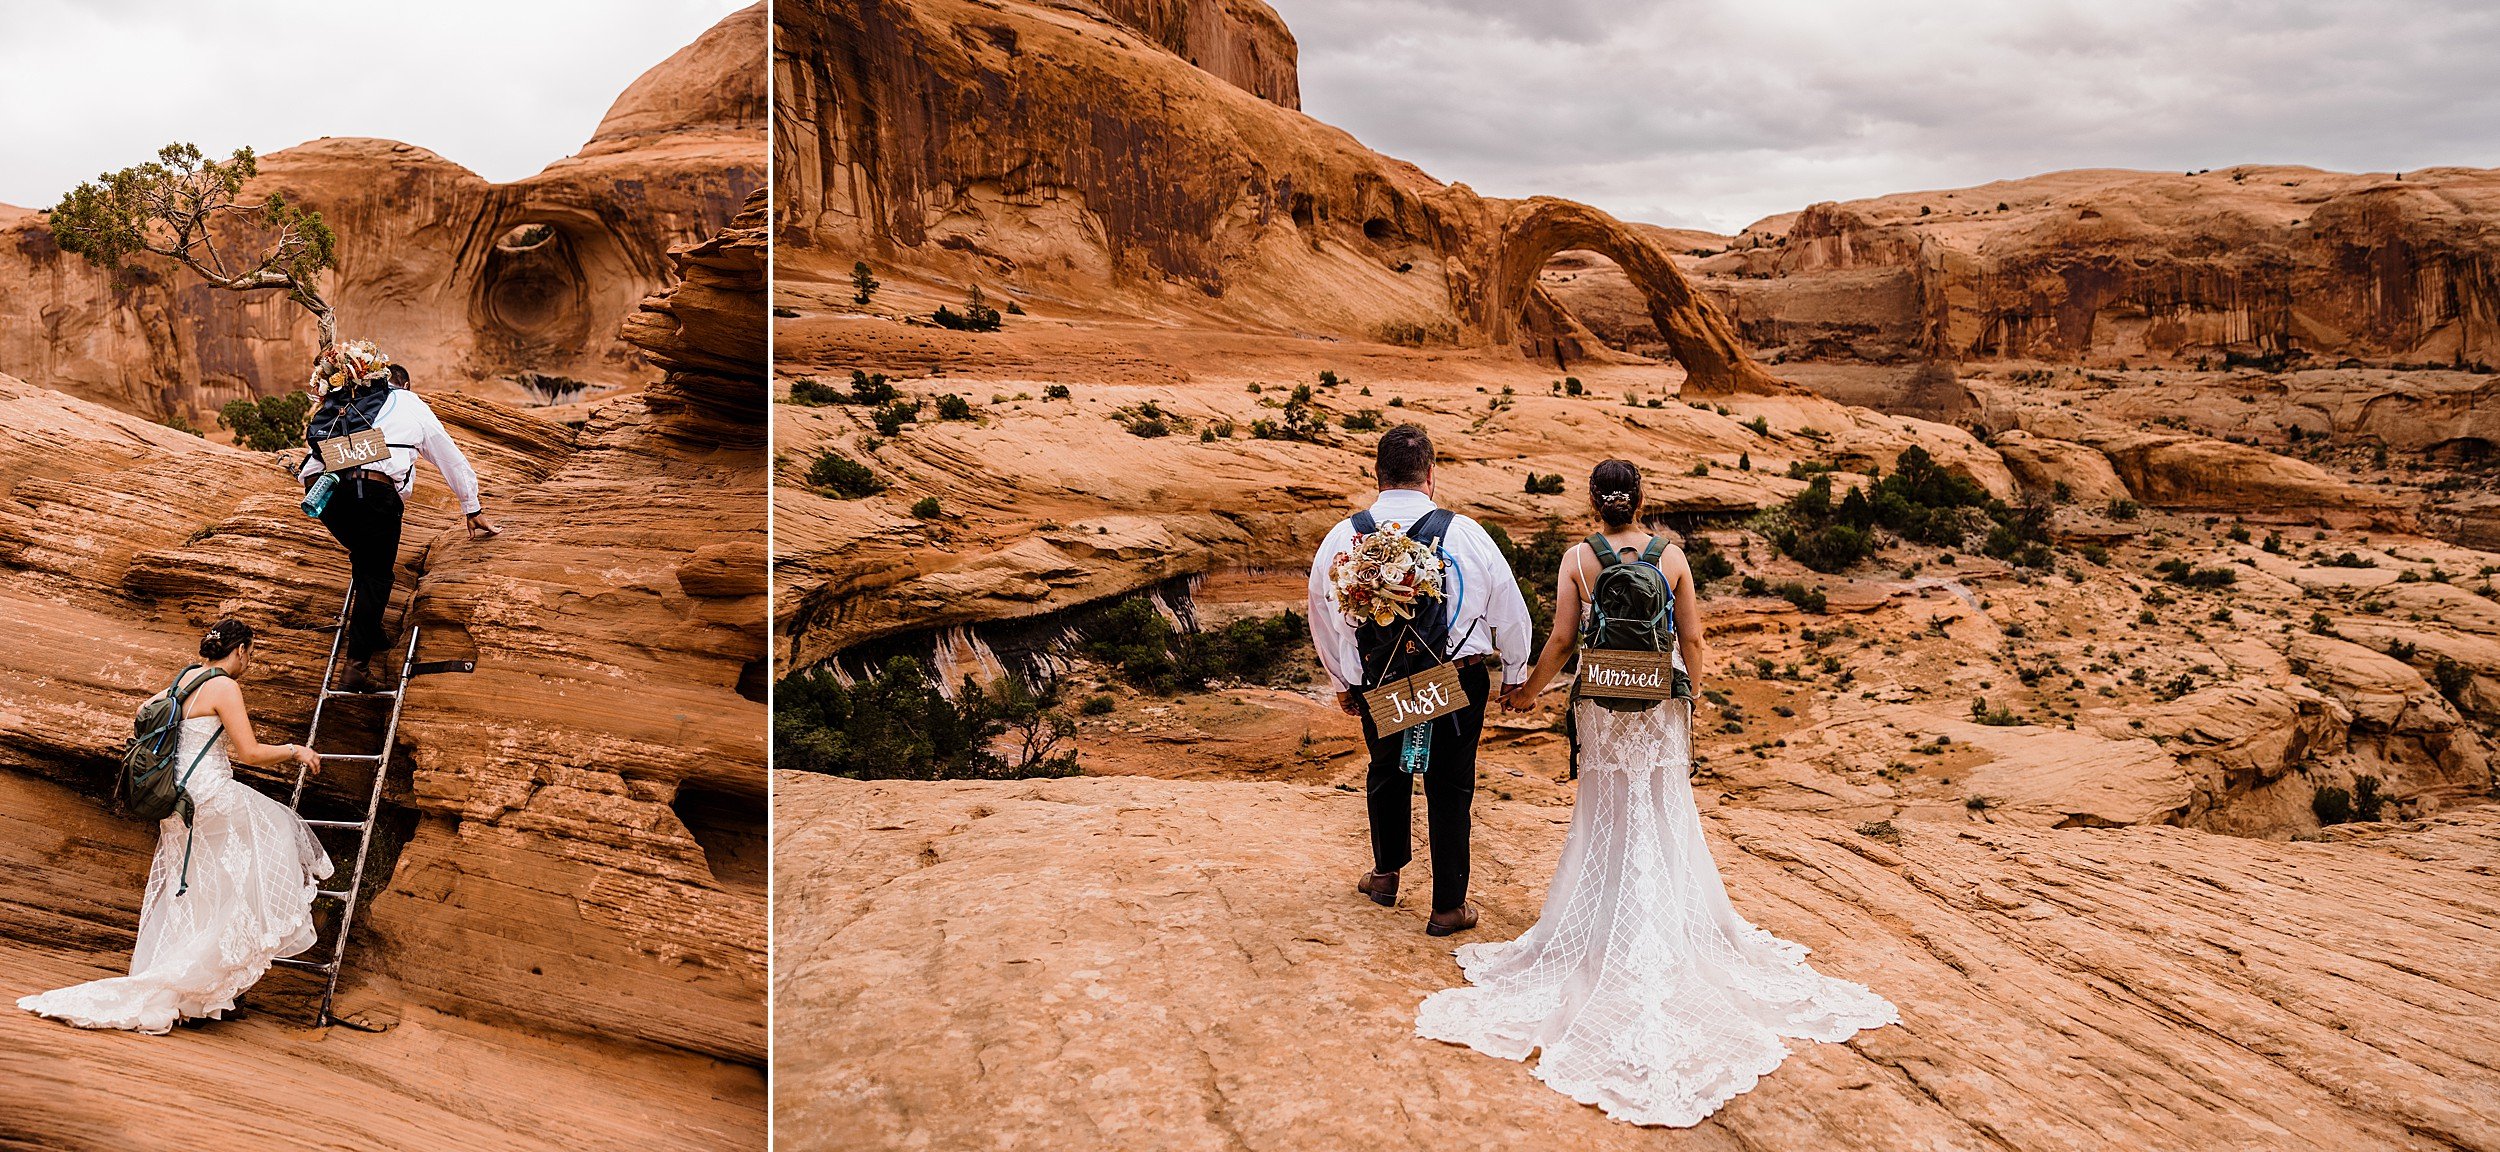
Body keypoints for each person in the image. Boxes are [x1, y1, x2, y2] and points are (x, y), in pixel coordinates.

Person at [1414, 459, 1897, 1127]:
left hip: (1603, 698)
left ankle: (1598, 927)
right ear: (1641, 501)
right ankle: (1673, 926)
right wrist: (1689, 692)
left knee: (1605, 811)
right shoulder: (1672, 556)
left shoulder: (1579, 558)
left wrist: (1527, 691)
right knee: (1664, 809)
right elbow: (1693, 634)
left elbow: (1560, 638)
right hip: (1659, 694)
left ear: (1594, 502)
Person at [20, 621, 334, 1034]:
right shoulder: (224, 686)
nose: (250, 663)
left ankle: (202, 995)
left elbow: (148, 714)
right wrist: (296, 751)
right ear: (239, 650)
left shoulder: (184, 677)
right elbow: (251, 752)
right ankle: (195, 984)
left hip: (175, 802)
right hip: (208, 796)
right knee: (277, 833)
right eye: (250, 654)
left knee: (197, 890)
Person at [1306, 423, 1534, 936]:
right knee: (1451, 786)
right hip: (1456, 678)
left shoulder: (1344, 536)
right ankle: (1447, 906)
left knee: (1387, 772)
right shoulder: (1466, 533)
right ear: (1430, 475)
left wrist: (1343, 681)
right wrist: (1515, 676)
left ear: (1378, 474)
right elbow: (1511, 611)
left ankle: (1385, 877)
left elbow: (1322, 615)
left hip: (1382, 680)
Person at [296, 342, 498, 691]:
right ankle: (356, 668)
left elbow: (310, 467)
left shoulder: (348, 404)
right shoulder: (407, 402)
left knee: (364, 557)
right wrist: (472, 506)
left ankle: (370, 629)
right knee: (377, 575)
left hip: (323, 493)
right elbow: (448, 456)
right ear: (404, 385)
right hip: (374, 493)